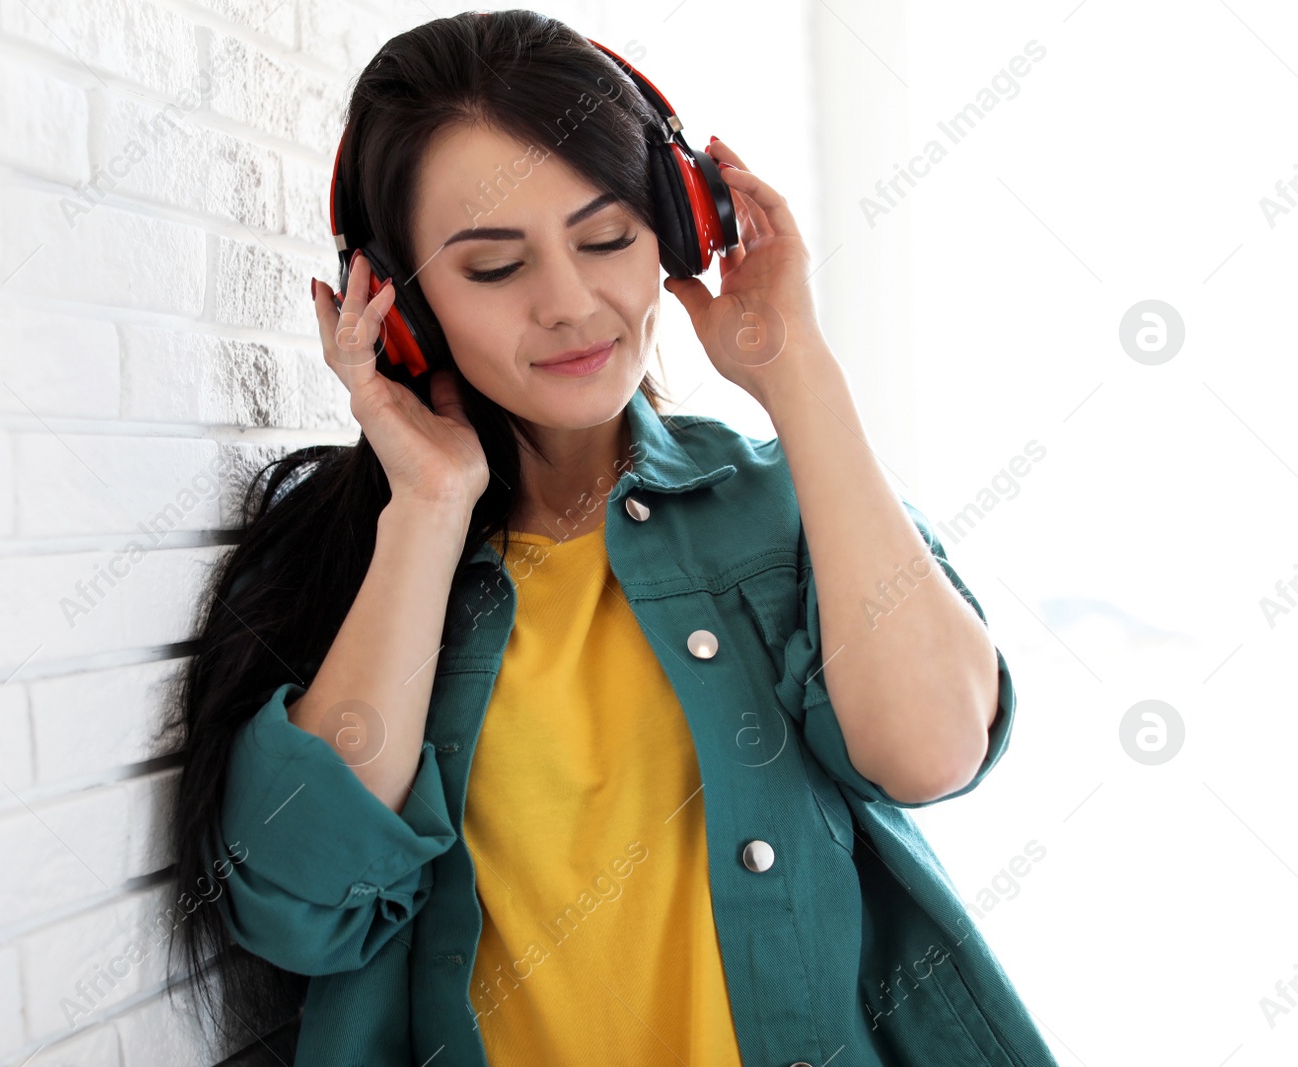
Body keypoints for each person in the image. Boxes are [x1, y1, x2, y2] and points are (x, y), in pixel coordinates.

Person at [166, 10, 1057, 1066]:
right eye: (493, 267)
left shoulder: (778, 505)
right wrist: (430, 511)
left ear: (679, 228)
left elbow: (932, 751)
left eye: (607, 238)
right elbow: (297, 905)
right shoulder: (363, 563)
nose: (572, 302)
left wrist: (797, 371)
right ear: (396, 307)